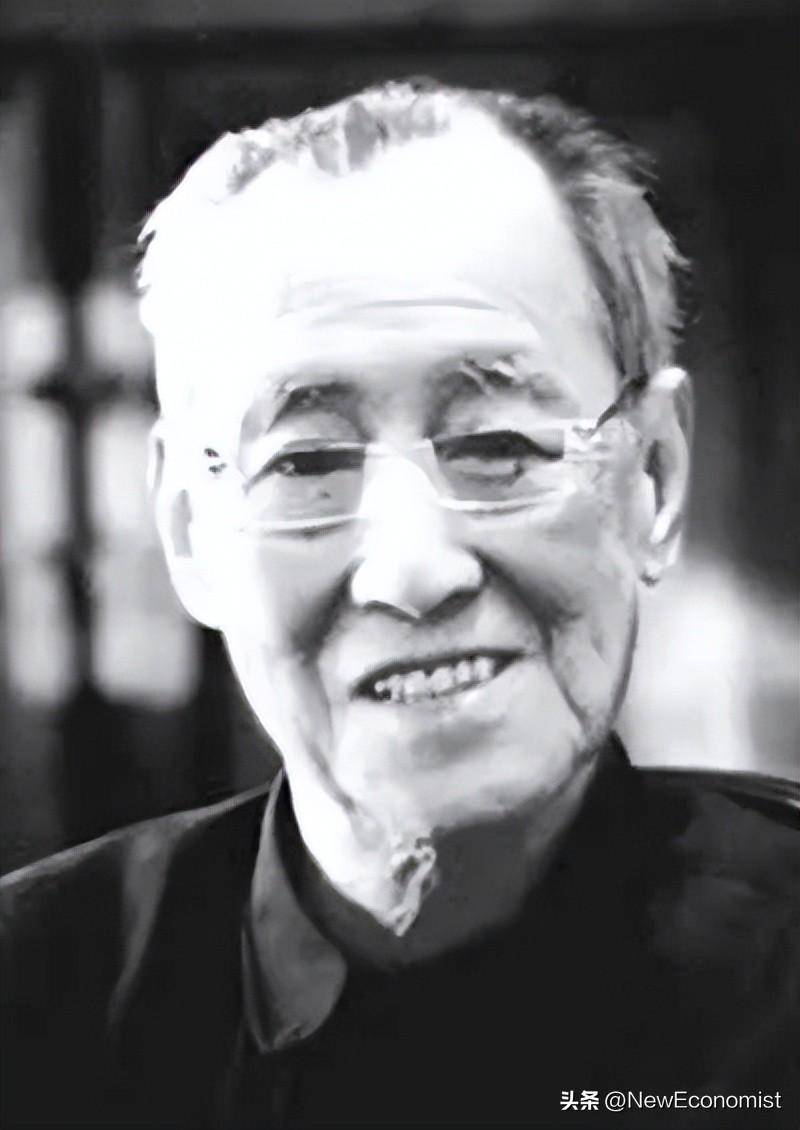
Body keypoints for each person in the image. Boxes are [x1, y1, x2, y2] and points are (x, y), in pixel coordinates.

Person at [1, 79, 797, 1129]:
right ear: (190, 531)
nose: (415, 572)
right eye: (305, 464)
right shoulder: (33, 1010)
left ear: (651, 475)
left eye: (499, 445)